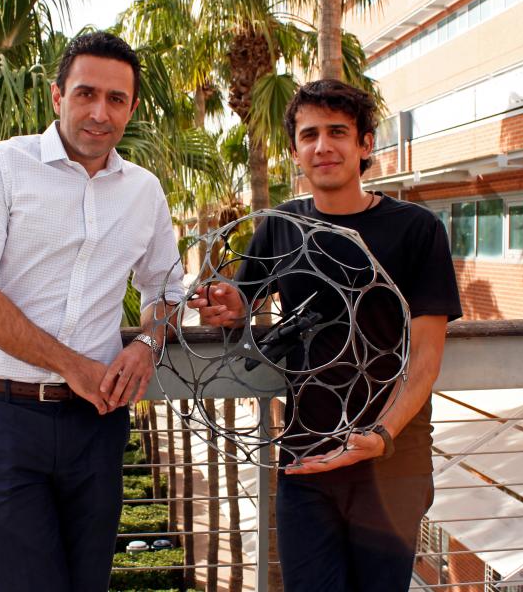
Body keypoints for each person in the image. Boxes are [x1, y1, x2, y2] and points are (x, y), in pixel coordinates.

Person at [189, 79, 462, 591]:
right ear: (295, 151)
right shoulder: (281, 224)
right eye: (309, 134)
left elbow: (426, 357)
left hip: (391, 464)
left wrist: (380, 437)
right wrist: (226, 306)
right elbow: (242, 301)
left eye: (338, 132)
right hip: (306, 460)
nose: (323, 146)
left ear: (364, 145)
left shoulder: (417, 229)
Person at [0, 32, 183, 592]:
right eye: (85, 94)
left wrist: (147, 344)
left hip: (95, 425)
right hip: (2, 418)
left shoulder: (144, 191)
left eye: (116, 100)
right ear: (57, 96)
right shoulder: (0, 166)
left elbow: (166, 291)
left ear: (132, 108)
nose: (100, 113)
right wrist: (73, 365)